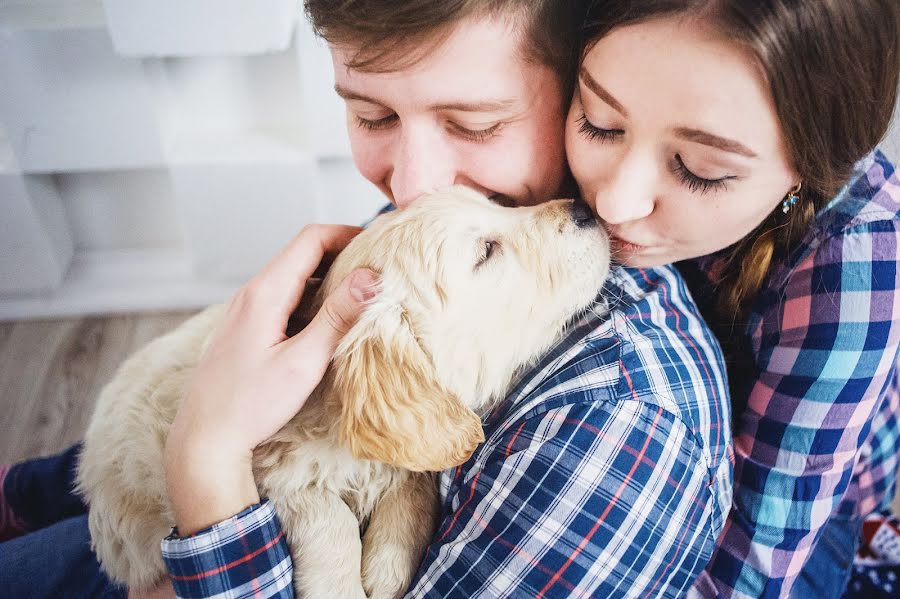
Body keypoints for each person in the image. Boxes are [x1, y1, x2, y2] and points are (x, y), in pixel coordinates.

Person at [0, 1, 732, 598]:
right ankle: (30, 494)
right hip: (179, 501)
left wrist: (207, 457)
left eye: (474, 124)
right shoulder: (455, 212)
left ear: (585, 97)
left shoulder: (617, 442)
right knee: (61, 510)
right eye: (373, 116)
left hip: (216, 542)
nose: (411, 186)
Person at [566, 1, 900, 598]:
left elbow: (758, 560)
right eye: (599, 123)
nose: (615, 204)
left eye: (700, 170)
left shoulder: (861, 250)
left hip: (806, 496)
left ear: (807, 171)